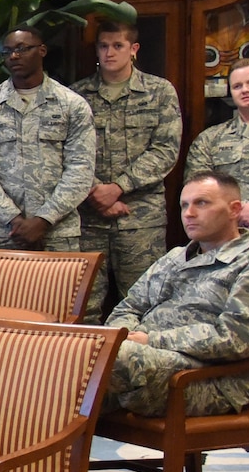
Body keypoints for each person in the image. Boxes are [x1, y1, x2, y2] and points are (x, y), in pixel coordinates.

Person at [103, 172, 249, 416]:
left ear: (234, 210)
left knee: (109, 357)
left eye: (201, 203)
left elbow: (239, 339)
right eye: (184, 205)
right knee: (60, 351)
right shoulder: (174, 258)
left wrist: (149, 340)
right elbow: (129, 308)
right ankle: (49, 450)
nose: (189, 213)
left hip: (206, 379)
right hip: (145, 364)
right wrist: (124, 335)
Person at [72, 22, 183, 319]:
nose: (109, 53)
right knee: (82, 308)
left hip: (140, 218)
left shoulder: (159, 92)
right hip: (88, 217)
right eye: (103, 46)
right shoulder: (76, 95)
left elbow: (165, 150)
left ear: (133, 49)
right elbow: (67, 152)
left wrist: (118, 187)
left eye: (117, 46)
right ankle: (86, 366)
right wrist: (96, 192)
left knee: (144, 305)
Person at [0, 29, 96, 251]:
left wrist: (43, 219)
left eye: (22, 49)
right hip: (1, 234)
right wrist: (14, 220)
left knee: (59, 288)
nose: (14, 56)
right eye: (7, 52)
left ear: (42, 51)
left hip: (57, 233)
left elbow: (81, 170)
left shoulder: (72, 105)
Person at [185, 57, 249, 248]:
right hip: (228, 246)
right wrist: (238, 213)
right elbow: (196, 192)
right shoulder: (210, 140)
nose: (245, 90)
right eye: (237, 86)